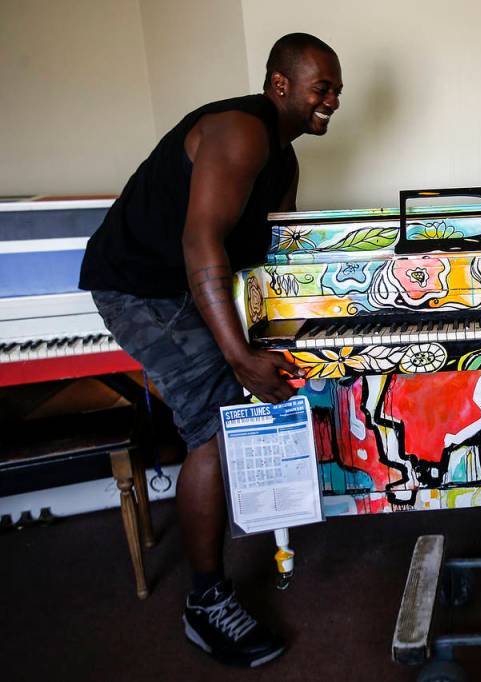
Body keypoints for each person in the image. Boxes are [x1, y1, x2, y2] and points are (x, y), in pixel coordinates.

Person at [79, 33, 343, 667]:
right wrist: (239, 356)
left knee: (250, 398)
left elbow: (279, 254)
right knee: (218, 426)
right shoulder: (241, 132)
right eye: (321, 87)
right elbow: (202, 244)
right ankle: (205, 601)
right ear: (280, 85)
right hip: (142, 290)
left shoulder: (283, 157)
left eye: (336, 89)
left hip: (191, 288)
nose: (333, 100)